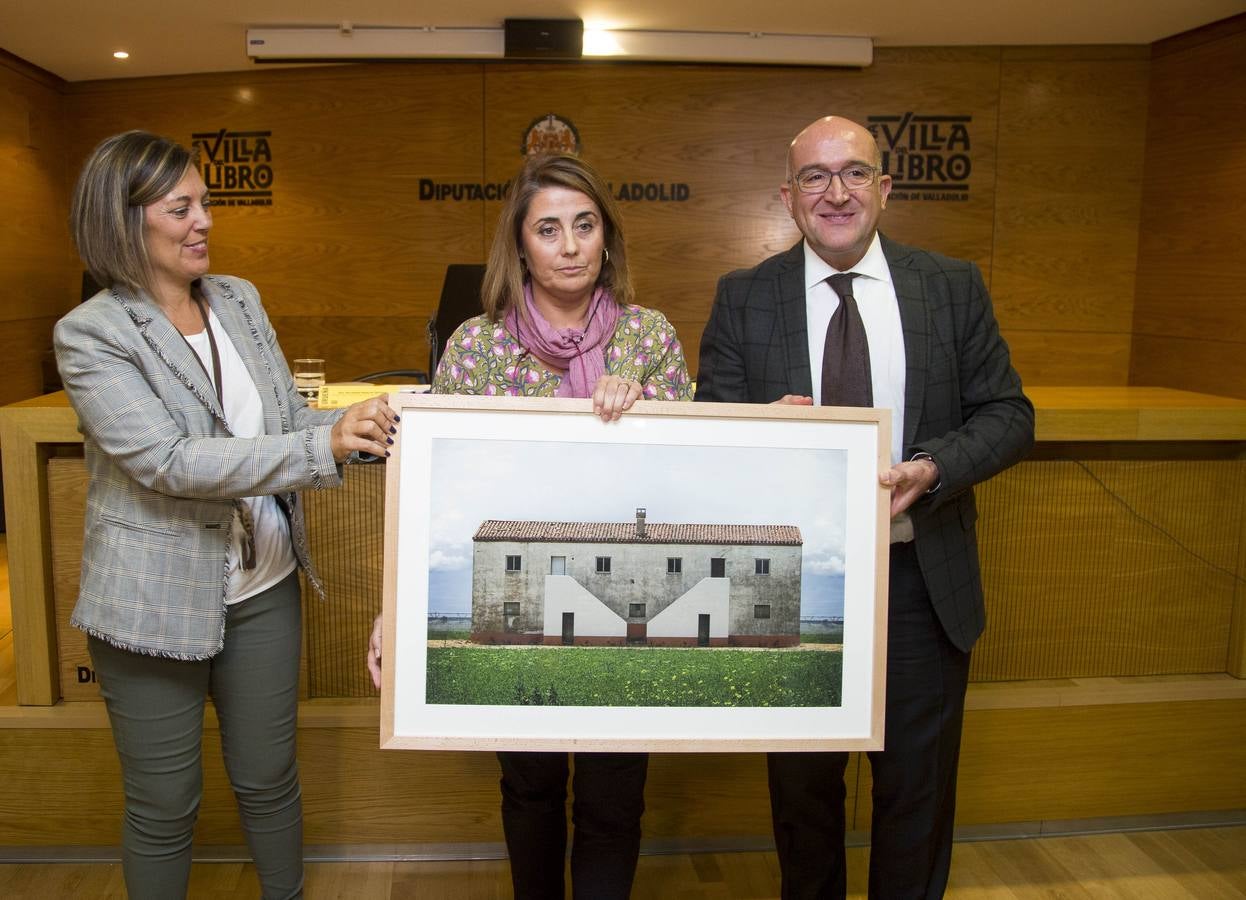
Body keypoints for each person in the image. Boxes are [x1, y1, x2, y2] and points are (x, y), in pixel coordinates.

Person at [695, 116, 1035, 898]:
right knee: (803, 798)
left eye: (854, 173)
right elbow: (711, 434)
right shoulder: (743, 299)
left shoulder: (952, 286)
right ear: (788, 197)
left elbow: (1010, 415)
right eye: (815, 176)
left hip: (921, 583)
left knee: (915, 798)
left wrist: (935, 465)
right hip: (794, 592)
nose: (836, 191)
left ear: (884, 188)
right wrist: (762, 435)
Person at [55, 130, 398, 900]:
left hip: (264, 589)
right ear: (123, 220)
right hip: (153, 602)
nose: (204, 220)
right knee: (164, 807)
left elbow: (282, 419)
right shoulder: (91, 334)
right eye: (182, 208)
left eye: (205, 202)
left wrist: (358, 429)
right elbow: (169, 461)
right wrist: (325, 449)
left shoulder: (239, 299)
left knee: (270, 779)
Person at [367, 153, 691, 899]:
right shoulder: (475, 348)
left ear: (608, 238)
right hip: (518, 603)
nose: (570, 245)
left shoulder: (650, 340)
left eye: (585, 225)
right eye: (549, 229)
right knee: (532, 788)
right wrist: (399, 604)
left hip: (625, 606)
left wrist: (647, 413)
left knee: (614, 800)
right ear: (520, 246)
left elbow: (682, 481)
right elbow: (434, 490)